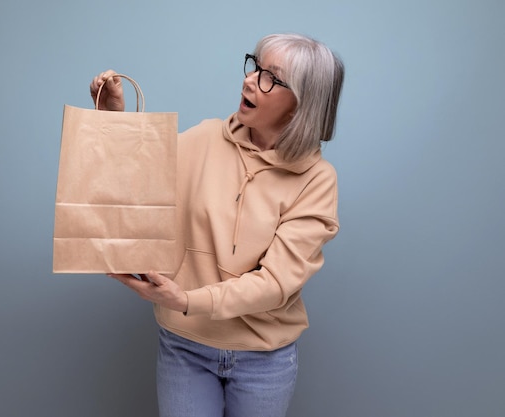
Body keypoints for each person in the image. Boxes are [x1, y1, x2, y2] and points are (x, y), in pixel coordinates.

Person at [89, 33, 344, 417]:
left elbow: (276, 283)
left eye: (271, 78)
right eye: (255, 67)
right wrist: (113, 118)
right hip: (184, 346)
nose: (250, 80)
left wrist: (188, 300)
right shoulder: (206, 137)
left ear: (301, 104)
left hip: (264, 358)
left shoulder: (317, 180)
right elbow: (138, 182)